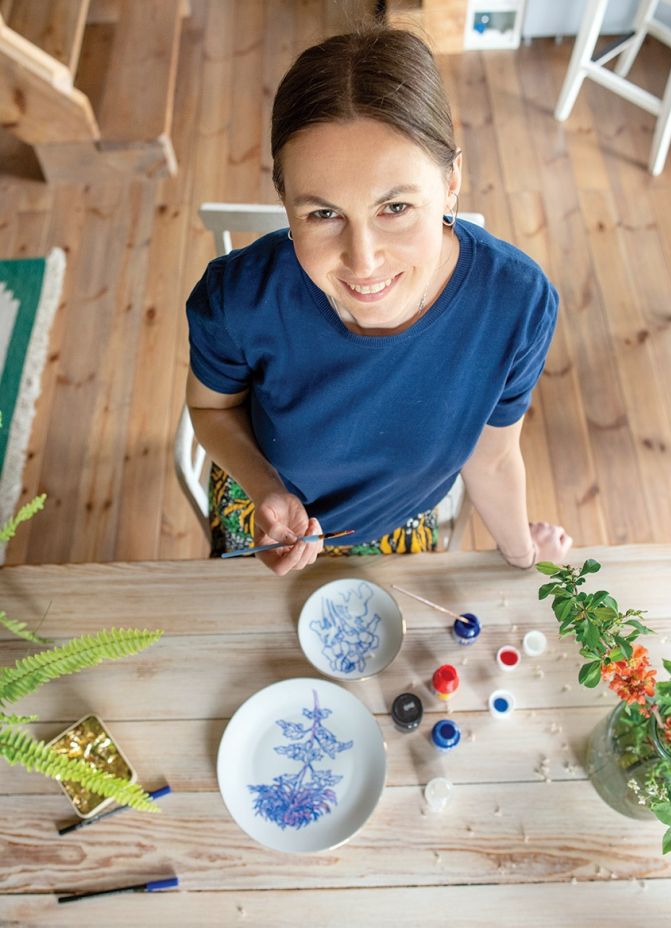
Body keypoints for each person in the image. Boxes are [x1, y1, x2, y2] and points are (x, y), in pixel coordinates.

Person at [185, 26, 573, 574]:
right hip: (265, 516)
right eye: (323, 214)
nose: (362, 262)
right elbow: (209, 407)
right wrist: (266, 490)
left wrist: (523, 557)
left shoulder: (518, 304)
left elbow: (493, 456)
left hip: (401, 524)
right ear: (285, 201)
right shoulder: (237, 299)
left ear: (452, 179)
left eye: (395, 208)